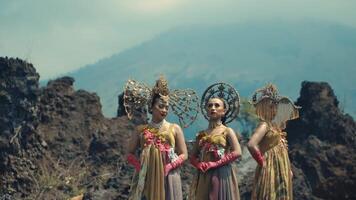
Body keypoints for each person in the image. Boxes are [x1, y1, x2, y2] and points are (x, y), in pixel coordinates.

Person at [124, 76, 199, 200]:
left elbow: (184, 154)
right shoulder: (140, 130)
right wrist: (141, 168)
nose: (164, 110)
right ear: (151, 107)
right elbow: (129, 154)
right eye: (160, 106)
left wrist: (170, 166)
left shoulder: (175, 128)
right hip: (146, 176)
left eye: (167, 107)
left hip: (169, 175)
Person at [189, 82, 242, 200]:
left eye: (217, 105)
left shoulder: (227, 131)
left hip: (222, 173)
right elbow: (192, 156)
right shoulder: (201, 134)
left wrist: (215, 164)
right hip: (204, 174)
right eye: (210, 105)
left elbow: (237, 152)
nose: (213, 108)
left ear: (224, 111)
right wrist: (199, 164)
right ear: (206, 110)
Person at [247, 83, 300, 200]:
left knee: (281, 194)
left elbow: (283, 149)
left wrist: (289, 169)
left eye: (276, 106)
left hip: (282, 166)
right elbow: (251, 144)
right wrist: (262, 162)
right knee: (268, 193)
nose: (274, 109)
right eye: (270, 106)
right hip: (270, 165)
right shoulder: (265, 125)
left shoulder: (277, 127)